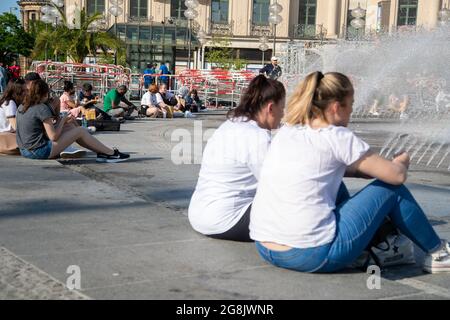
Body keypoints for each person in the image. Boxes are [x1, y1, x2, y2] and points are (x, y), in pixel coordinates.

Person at [249, 71, 450, 274]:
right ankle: (439, 253)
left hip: (266, 246)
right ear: (336, 107)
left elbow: (323, 169)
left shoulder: (289, 130)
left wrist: (364, 171)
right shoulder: (337, 136)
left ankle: (368, 247)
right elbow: (396, 176)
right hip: (310, 254)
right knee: (390, 189)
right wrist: (402, 161)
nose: (352, 112)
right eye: (351, 105)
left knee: (336, 183)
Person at [188, 75, 286, 242]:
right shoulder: (257, 137)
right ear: (271, 108)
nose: (283, 114)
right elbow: (279, 186)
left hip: (200, 214)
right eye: (282, 108)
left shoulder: (232, 124)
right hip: (228, 220)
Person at [15, 79, 130, 163]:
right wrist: (63, 119)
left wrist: (64, 123)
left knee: (71, 127)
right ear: (44, 94)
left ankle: (102, 152)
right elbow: (53, 137)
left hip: (24, 149)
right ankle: (110, 153)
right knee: (79, 131)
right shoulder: (41, 108)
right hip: (38, 151)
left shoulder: (22, 106)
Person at [0, 79, 25, 155]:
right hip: (6, 136)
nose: (26, 93)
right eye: (24, 90)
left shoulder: (7, 101)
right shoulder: (10, 103)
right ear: (17, 92)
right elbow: (15, 126)